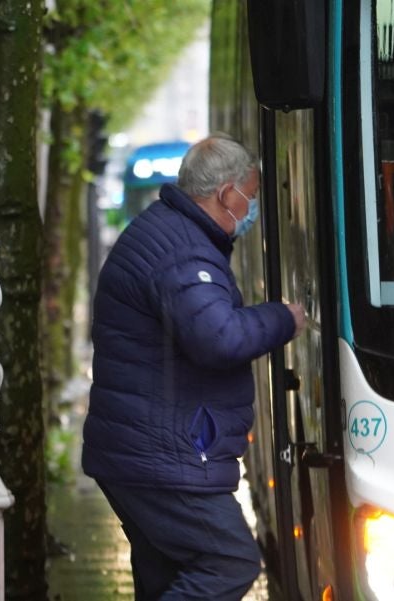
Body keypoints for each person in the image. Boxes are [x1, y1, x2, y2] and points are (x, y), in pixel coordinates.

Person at [81, 134, 306, 600]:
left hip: (141, 452)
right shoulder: (182, 251)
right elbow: (217, 337)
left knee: (165, 576)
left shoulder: (171, 233)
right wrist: (284, 317)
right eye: (253, 197)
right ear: (227, 194)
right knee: (230, 562)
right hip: (164, 459)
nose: (252, 210)